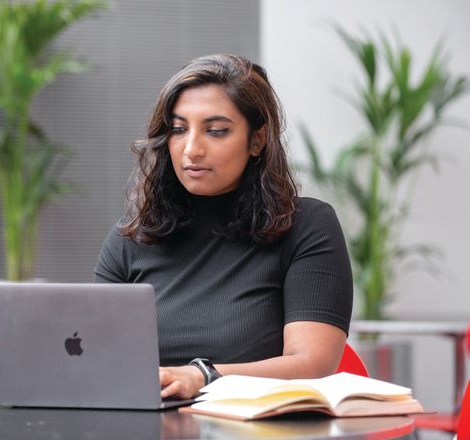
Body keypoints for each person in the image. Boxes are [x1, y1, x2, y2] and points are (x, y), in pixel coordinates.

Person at [94, 54, 353, 399]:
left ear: (257, 140)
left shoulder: (306, 226)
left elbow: (312, 365)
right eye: (178, 129)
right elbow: (94, 358)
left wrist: (203, 376)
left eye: (216, 131)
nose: (192, 149)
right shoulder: (132, 236)